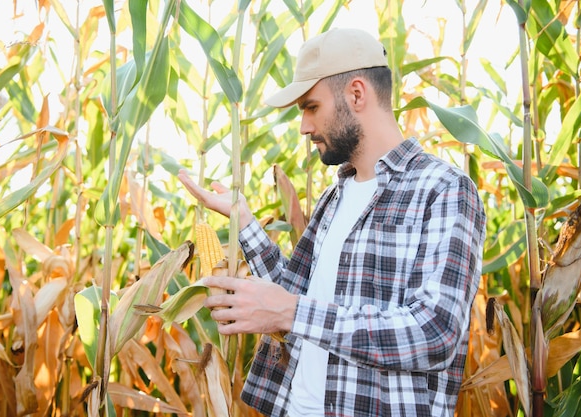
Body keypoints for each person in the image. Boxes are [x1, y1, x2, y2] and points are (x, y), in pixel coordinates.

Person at [178, 27, 486, 417]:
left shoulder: (444, 190)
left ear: (356, 94)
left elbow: (435, 333)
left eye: (311, 107)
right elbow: (294, 294)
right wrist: (242, 220)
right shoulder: (334, 196)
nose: (305, 126)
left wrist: (292, 312)